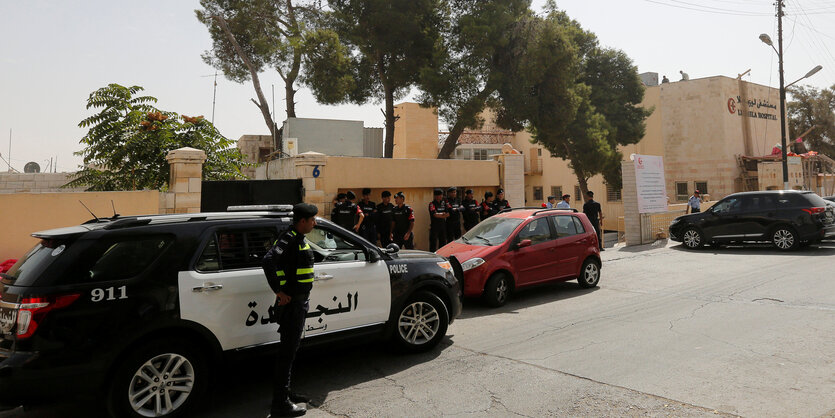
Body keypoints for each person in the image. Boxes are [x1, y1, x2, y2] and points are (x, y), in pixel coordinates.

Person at [261, 203, 318, 418]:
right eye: (312, 220)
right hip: (292, 305)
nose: (314, 223)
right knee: (286, 353)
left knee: (291, 352)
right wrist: (278, 291)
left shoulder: (298, 238)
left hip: (299, 303)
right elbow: (268, 261)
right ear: (302, 221)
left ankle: (286, 393)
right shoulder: (289, 238)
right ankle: (280, 404)